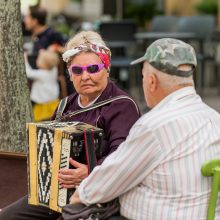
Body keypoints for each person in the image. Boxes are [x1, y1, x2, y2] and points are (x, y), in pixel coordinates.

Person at [68, 38, 220, 220]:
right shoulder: (214, 118)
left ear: (152, 82)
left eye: (142, 77)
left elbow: (108, 181)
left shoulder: (154, 126)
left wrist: (78, 196)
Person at [0, 31, 141, 220]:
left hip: (99, 196)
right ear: (70, 74)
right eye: (77, 70)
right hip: (56, 193)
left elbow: (124, 157)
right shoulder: (65, 105)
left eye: (93, 69)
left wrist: (89, 171)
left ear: (106, 69)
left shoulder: (121, 105)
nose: (85, 76)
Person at [25, 49, 60, 121]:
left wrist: (25, 61)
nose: (37, 60)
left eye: (38, 58)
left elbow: (28, 73)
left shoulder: (41, 74)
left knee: (39, 119)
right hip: (52, 101)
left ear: (43, 63)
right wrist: (44, 53)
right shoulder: (53, 70)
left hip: (41, 103)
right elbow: (52, 61)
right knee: (51, 117)